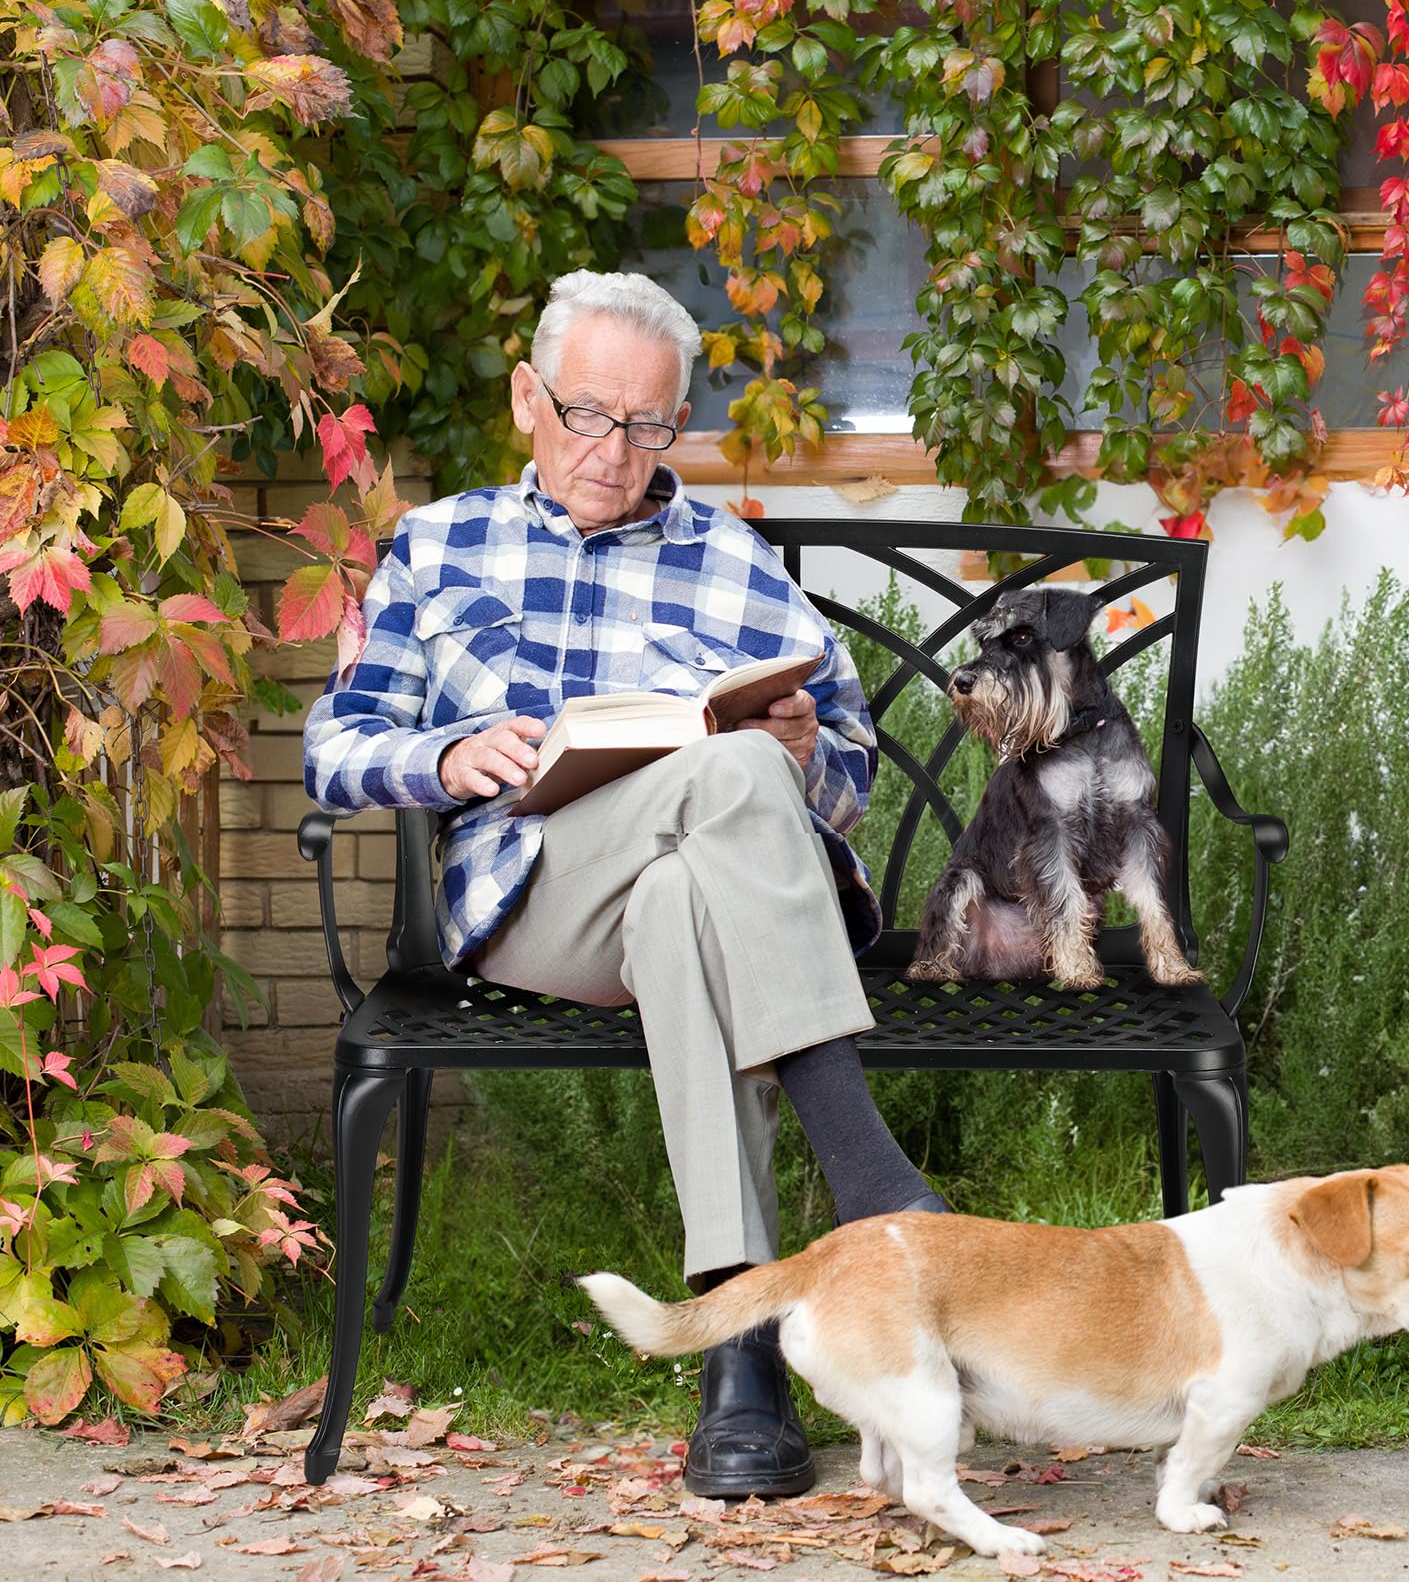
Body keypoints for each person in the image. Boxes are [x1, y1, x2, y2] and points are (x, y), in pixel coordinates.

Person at [302, 270, 946, 1499]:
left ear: (677, 424)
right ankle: (873, 1183)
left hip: (694, 896)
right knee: (733, 775)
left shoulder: (734, 560)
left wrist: (805, 752)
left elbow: (850, 771)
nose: (615, 450)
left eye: (649, 425)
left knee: (693, 884)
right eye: (590, 415)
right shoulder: (436, 547)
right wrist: (445, 757)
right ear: (527, 399)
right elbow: (334, 749)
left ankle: (740, 1351)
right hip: (528, 893)